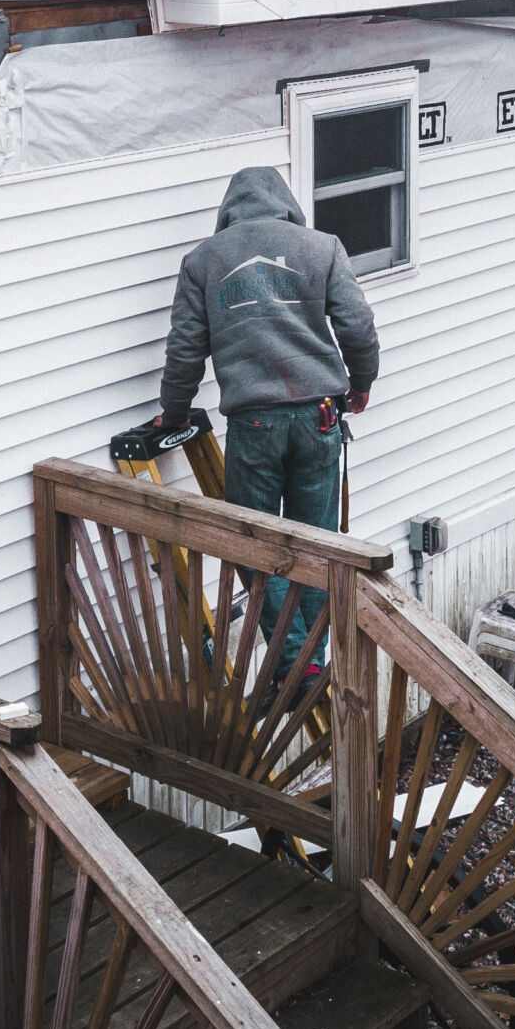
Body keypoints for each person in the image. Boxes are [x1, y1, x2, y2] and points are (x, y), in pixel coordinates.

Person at [157, 165, 380, 671]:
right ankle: (310, 660)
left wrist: (173, 412)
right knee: (317, 545)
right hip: (321, 414)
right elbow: (358, 325)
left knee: (254, 545)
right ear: (286, 204)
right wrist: (361, 382)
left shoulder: (203, 261)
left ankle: (296, 661)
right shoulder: (321, 247)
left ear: (229, 210)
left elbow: (185, 350)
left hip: (254, 424)